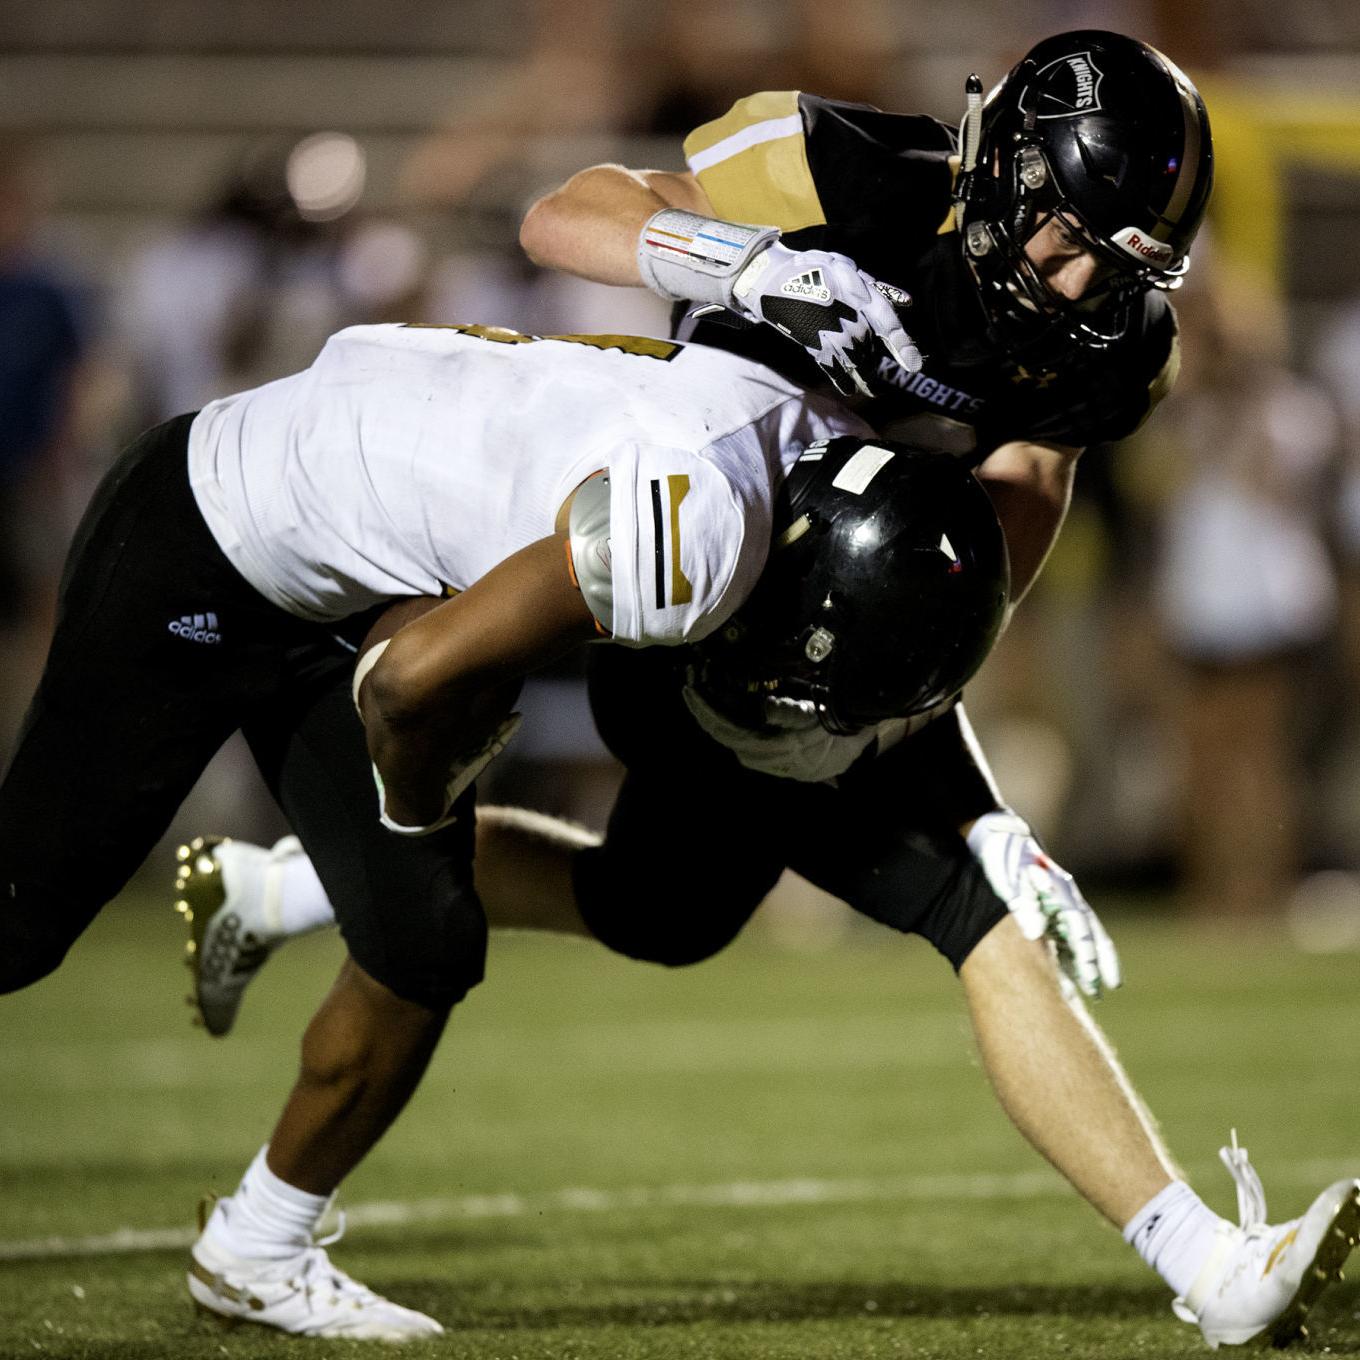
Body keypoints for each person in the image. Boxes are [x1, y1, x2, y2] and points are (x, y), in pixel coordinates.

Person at [173, 29, 1360, 1350]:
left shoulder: (1116, 348)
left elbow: (1016, 510)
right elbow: (569, 214)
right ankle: (1208, 1265)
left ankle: (281, 885)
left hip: (847, 620)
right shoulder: (853, 172)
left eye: (1128, 260)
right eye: (1075, 236)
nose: (1086, 283)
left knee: (661, 909)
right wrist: (750, 264)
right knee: (974, 908)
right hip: (694, 573)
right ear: (1013, 173)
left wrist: (925, 706)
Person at [0, 317, 1019, 1339]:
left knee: (426, 940)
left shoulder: (794, 454)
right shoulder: (693, 539)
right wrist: (416, 803)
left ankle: (255, 1250)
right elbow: (405, 684)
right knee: (20, 926)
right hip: (204, 532)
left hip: (345, 580)